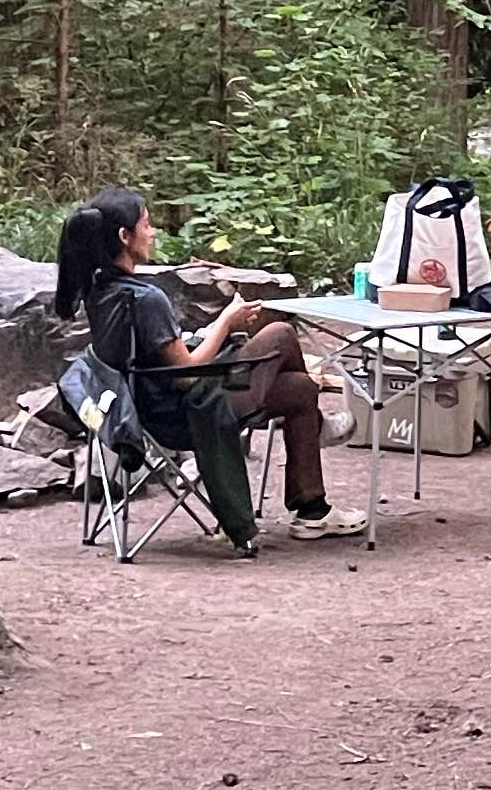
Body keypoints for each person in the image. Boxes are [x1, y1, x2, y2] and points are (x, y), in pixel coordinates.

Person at [52, 194, 364, 549]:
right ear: (125, 236)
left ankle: (313, 511)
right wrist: (225, 322)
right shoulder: (147, 299)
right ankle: (318, 444)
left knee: (300, 390)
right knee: (281, 333)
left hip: (143, 408)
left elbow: (158, 360)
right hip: (187, 413)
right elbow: (186, 374)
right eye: (146, 224)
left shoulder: (99, 291)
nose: (153, 233)